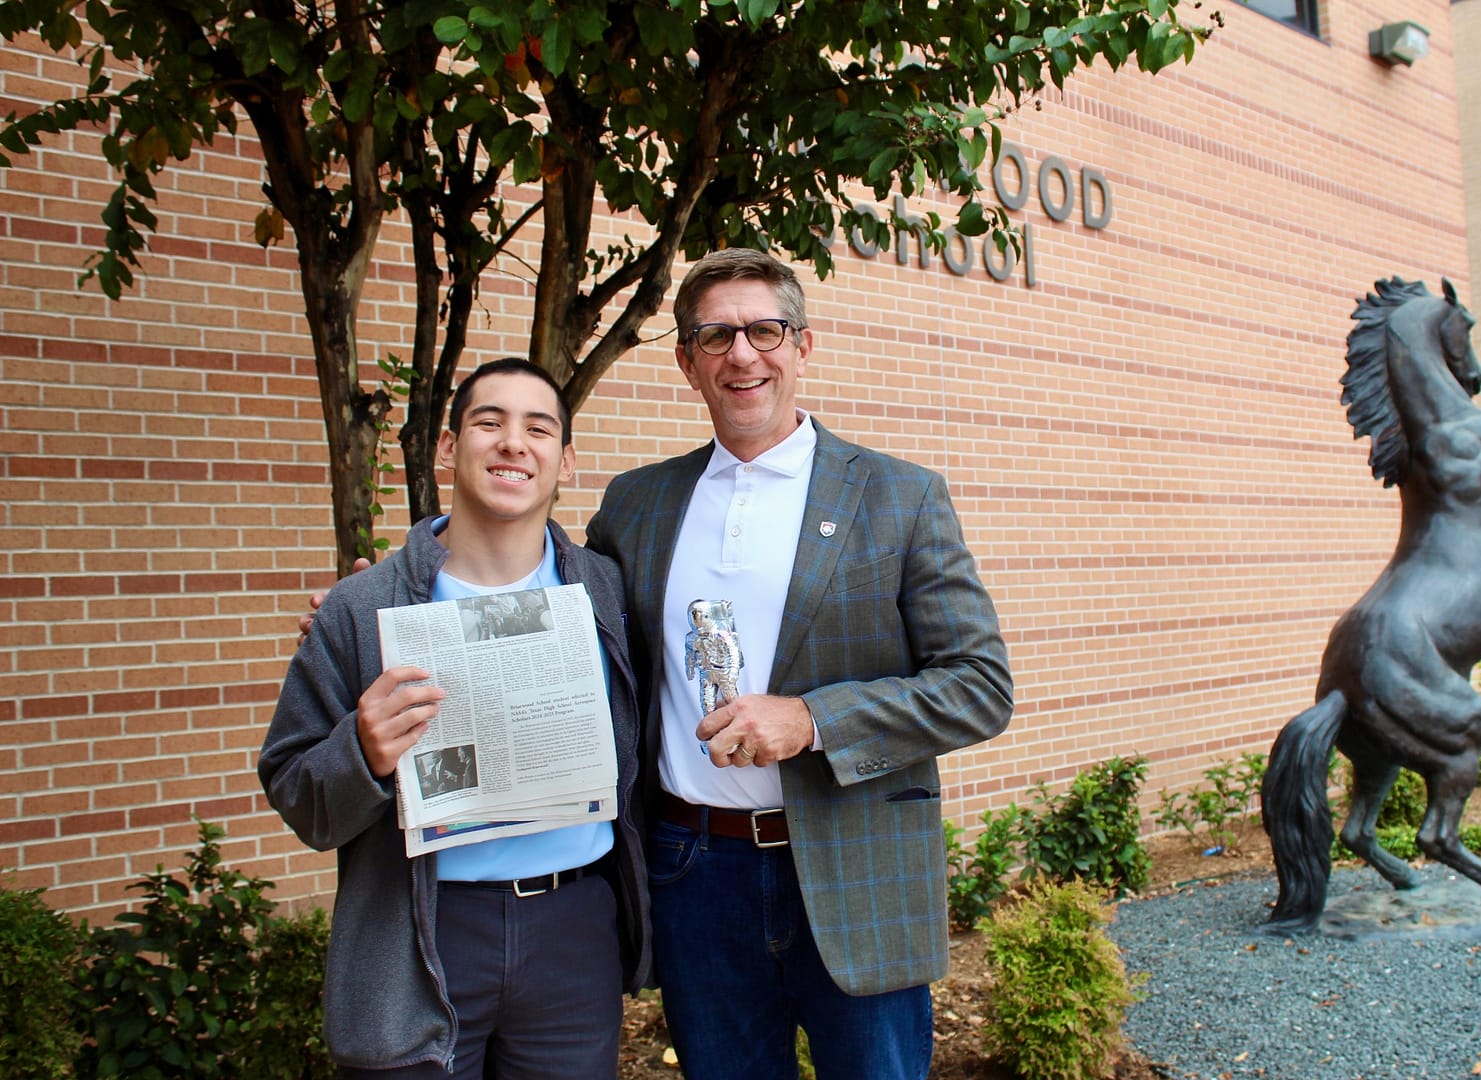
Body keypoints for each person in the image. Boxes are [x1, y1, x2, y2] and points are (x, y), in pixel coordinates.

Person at [585, 248, 1013, 1080]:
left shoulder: (898, 495)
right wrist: (409, 593)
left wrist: (813, 720)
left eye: (764, 330)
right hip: (695, 873)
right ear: (686, 361)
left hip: (858, 868)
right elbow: (568, 621)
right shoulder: (636, 505)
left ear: (803, 346)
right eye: (715, 335)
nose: (741, 354)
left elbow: (979, 687)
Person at [260, 358, 650, 1078]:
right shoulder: (364, 609)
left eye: (537, 428)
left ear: (564, 459)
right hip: (422, 935)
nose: (512, 443)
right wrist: (362, 750)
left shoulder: (609, 597)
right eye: (488, 422)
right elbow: (296, 791)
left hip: (574, 934)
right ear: (447, 447)